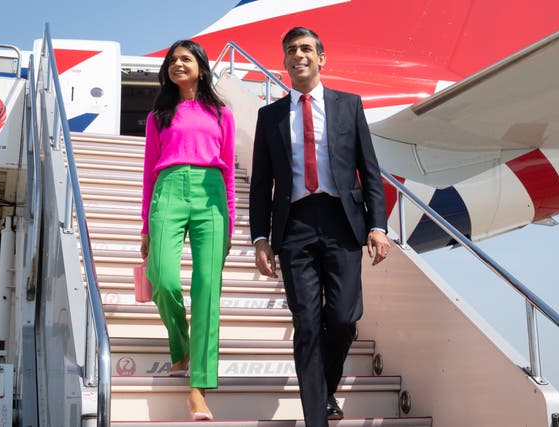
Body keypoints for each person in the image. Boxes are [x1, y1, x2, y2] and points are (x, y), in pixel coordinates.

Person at [249, 27, 391, 427]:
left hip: (342, 221)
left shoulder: (349, 106)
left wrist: (377, 226)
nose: (299, 55)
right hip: (294, 225)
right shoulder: (269, 116)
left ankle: (325, 387)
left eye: (307, 48)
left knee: (344, 317)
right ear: (285, 62)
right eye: (291, 50)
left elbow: (370, 171)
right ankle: (316, 418)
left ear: (321, 58)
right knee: (307, 323)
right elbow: (261, 184)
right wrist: (260, 237)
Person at [140, 39, 235, 421]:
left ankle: (198, 389)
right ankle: (179, 346)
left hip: (211, 193)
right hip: (168, 189)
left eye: (186, 58)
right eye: (172, 60)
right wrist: (146, 224)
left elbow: (228, 170)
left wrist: (228, 218)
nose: (178, 64)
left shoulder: (221, 113)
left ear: (201, 66)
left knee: (208, 290)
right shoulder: (158, 115)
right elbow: (148, 172)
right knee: (162, 278)